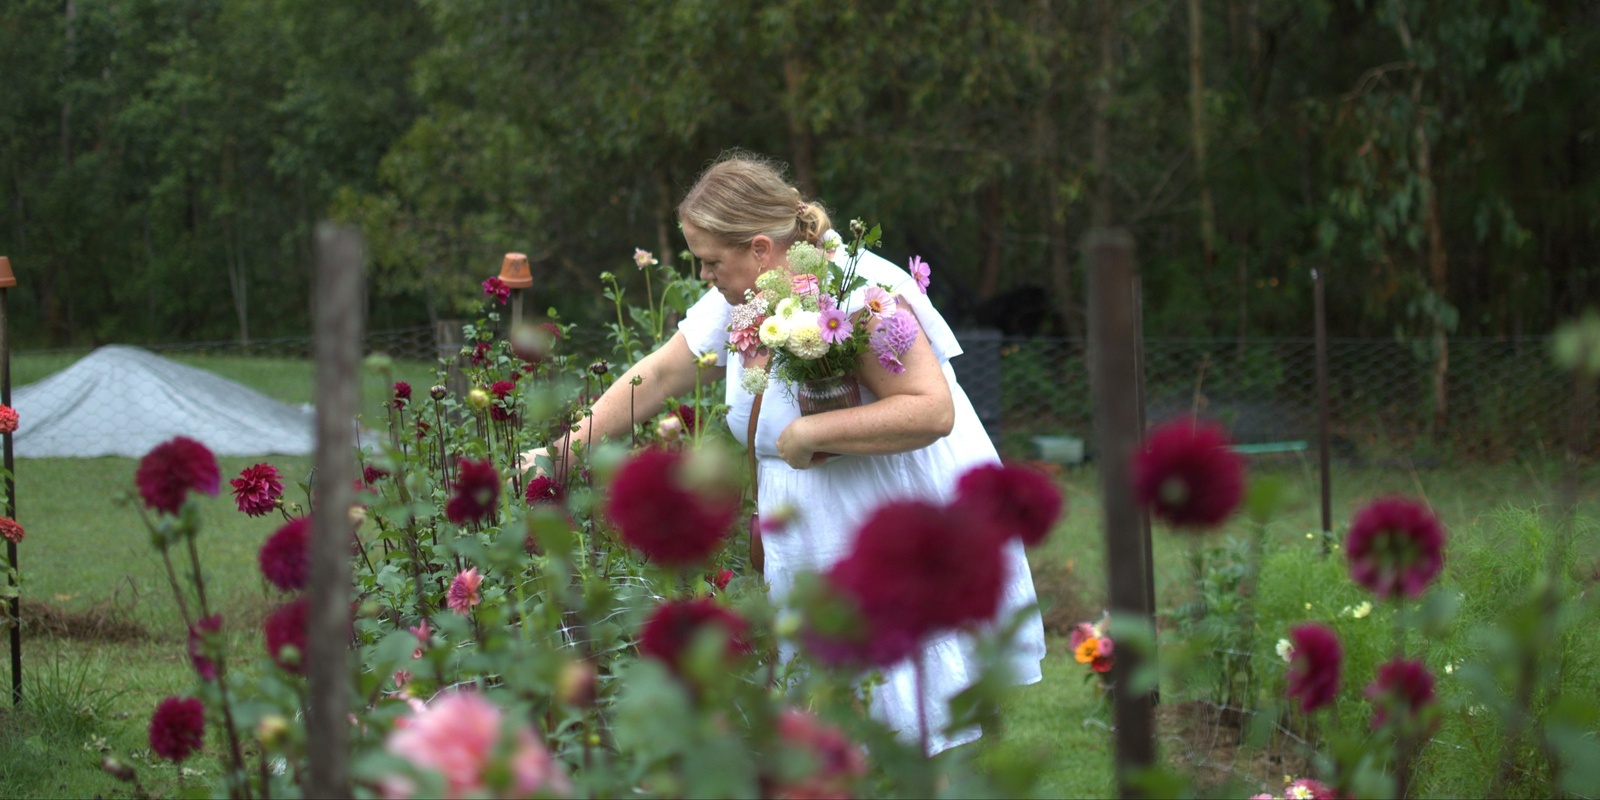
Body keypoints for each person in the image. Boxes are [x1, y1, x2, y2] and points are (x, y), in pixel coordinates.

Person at [529, 152, 1046, 753]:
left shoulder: (857, 292)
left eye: (710, 262)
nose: (704, 275)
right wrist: (562, 454)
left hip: (885, 531)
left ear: (759, 248)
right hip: (816, 531)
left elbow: (930, 408)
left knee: (898, 737)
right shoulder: (744, 295)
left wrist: (806, 434)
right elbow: (665, 372)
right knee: (830, 740)